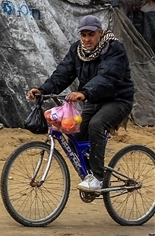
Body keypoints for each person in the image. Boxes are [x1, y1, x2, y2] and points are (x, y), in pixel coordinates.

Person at [29, 14, 135, 192]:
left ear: (100, 33)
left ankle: (98, 178)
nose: (87, 39)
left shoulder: (114, 48)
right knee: (74, 134)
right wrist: (42, 90)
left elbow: (108, 77)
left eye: (91, 34)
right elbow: (63, 74)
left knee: (96, 125)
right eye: (83, 35)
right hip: (93, 99)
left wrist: (84, 93)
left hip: (117, 100)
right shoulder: (77, 50)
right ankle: (91, 172)